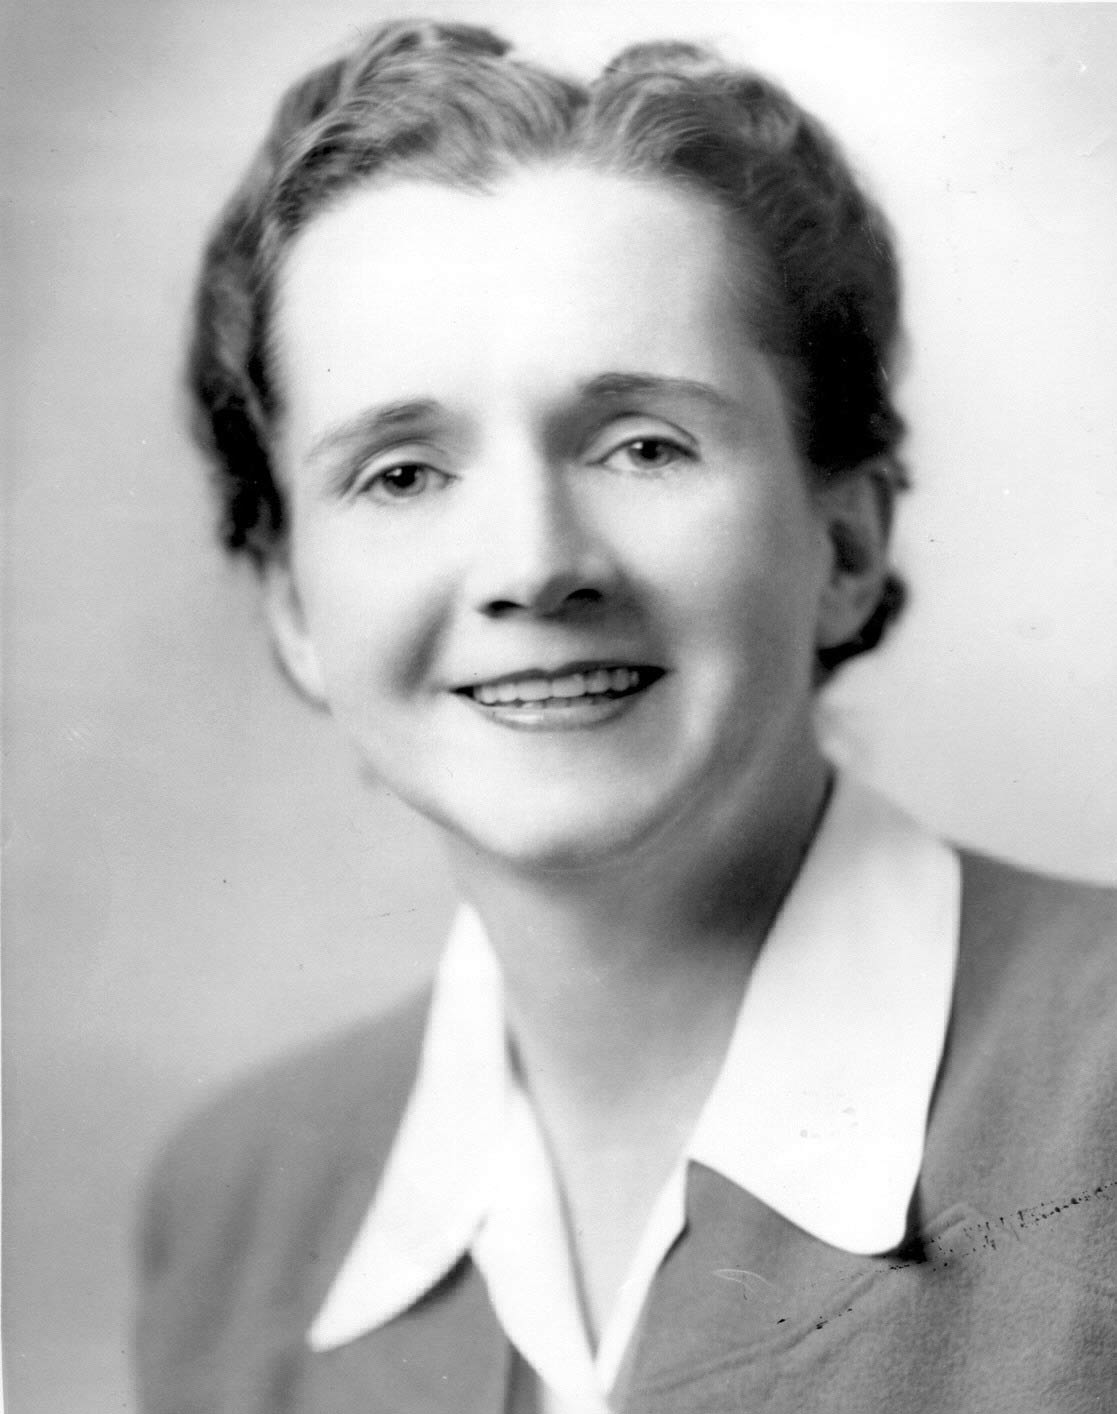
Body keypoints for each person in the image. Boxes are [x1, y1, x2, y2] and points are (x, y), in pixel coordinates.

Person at [135, 18, 1117, 1414]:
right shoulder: (235, 1206)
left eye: (642, 445)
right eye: (402, 473)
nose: (535, 564)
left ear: (843, 543)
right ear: (294, 603)